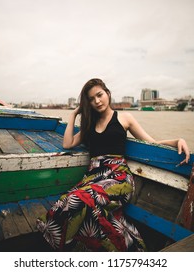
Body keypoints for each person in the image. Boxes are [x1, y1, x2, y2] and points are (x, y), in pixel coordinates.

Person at [37, 78, 190, 252]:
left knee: (79, 200)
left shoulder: (125, 118)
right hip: (94, 177)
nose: (97, 101)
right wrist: (73, 114)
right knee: (67, 201)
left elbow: (151, 142)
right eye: (91, 99)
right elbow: (67, 143)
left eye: (99, 95)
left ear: (107, 93)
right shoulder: (89, 124)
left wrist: (178, 140)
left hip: (118, 177)